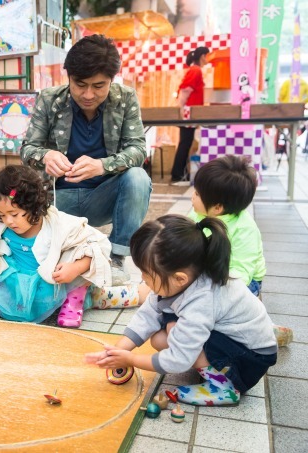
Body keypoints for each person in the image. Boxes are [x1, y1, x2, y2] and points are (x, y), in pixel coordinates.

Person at [85, 214, 277, 406]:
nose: (143, 279)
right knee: (160, 338)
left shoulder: (201, 301)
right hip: (234, 343)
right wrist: (117, 351)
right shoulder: (182, 279)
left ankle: (224, 387)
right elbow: (147, 315)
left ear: (179, 278)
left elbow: (178, 360)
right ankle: (209, 366)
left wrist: (132, 359)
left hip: (249, 359)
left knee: (172, 330)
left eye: (147, 274)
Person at [21, 34, 151, 286]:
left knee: (138, 178)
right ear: (67, 76)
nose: (88, 94)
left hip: (103, 197)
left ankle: (116, 258)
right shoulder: (49, 99)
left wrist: (103, 165)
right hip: (57, 201)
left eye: (99, 86)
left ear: (111, 80)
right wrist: (45, 155)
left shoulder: (125, 99)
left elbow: (138, 150)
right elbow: (27, 149)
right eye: (80, 84)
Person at [0, 165, 112, 328]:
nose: (8, 220)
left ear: (33, 205)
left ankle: (73, 301)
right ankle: (4, 302)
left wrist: (75, 268)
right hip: (16, 282)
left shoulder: (58, 225)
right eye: (2, 214)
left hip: (51, 282)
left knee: (81, 250)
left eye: (14, 214)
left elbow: (98, 245)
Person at [190, 154, 293, 346]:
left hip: (241, 282)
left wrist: (209, 294)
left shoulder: (245, 229)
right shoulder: (198, 213)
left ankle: (261, 328)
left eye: (196, 193)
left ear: (217, 208)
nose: (192, 196)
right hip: (210, 274)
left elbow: (240, 277)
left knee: (222, 317)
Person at [171, 46, 209, 184]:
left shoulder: (194, 70)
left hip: (188, 111)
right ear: (202, 56)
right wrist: (180, 108)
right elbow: (186, 89)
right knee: (185, 143)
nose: (207, 59)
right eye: (207, 56)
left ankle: (180, 173)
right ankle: (177, 174)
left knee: (185, 143)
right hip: (188, 111)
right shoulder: (196, 70)